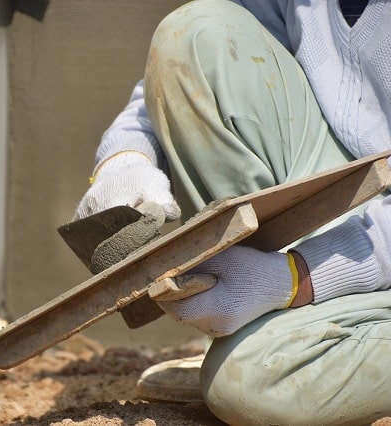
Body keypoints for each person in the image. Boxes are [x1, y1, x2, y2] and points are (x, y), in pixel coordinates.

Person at [73, 1, 391, 424]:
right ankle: (281, 334)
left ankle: (296, 342)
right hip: (361, 187)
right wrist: (125, 158)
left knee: (249, 386)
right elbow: (206, 66)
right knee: (190, 36)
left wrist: (294, 277)